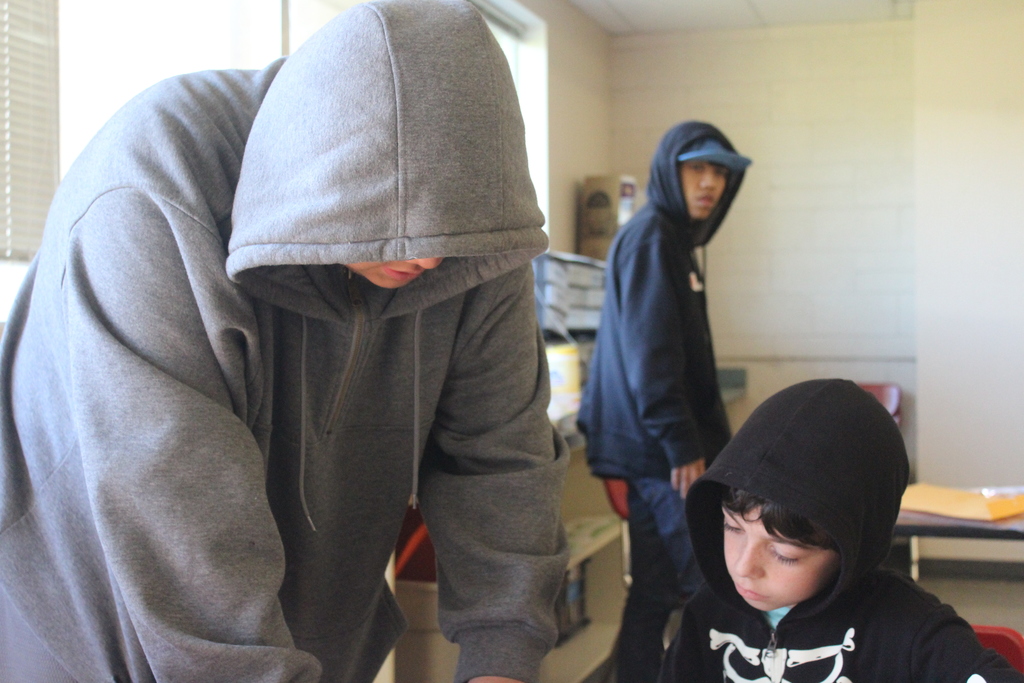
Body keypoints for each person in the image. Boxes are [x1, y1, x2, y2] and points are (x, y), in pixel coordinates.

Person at [0, 1, 570, 682]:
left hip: (317, 634)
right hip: (89, 637)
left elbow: (502, 459)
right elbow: (184, 526)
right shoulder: (150, 195)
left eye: (446, 239)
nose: (426, 262)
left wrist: (502, 655)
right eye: (393, 234)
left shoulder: (472, 232)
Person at [659, 379, 1024, 683]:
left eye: (784, 554)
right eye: (731, 527)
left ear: (851, 550)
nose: (742, 567)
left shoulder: (907, 625)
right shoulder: (708, 612)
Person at [576, 120, 751, 682]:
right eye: (696, 168)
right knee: (712, 586)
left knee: (654, 589)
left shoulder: (672, 240)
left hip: (653, 449)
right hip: (660, 452)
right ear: (669, 173)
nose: (710, 183)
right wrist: (682, 444)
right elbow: (652, 359)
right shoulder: (654, 237)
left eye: (720, 172)